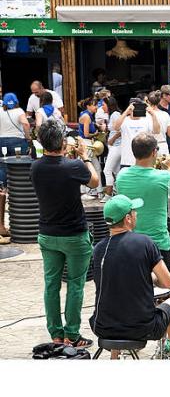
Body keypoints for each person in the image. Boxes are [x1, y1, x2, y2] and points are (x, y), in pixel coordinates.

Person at [90, 195, 170, 359]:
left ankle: (115, 358)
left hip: (101, 326)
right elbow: (168, 282)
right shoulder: (145, 243)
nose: (136, 215)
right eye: (134, 212)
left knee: (116, 302)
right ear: (127, 218)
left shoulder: (98, 249)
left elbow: (107, 280)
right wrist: (152, 279)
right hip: (142, 328)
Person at [31, 120, 99, 347]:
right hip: (74, 234)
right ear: (61, 141)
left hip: (47, 234)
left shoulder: (35, 167)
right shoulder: (74, 166)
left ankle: (56, 334)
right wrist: (85, 156)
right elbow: (95, 181)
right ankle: (73, 334)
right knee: (76, 284)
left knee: (51, 284)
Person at [115, 133, 170, 273]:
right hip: (158, 244)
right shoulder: (164, 176)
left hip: (130, 243)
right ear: (154, 152)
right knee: (167, 289)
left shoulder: (122, 174)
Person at [0, 93, 31, 240]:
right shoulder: (19, 111)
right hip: (18, 142)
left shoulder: (0, 111)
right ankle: (18, 192)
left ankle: (3, 190)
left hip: (1, 143)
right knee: (20, 172)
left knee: (2, 174)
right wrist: (28, 137)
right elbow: (25, 123)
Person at [113, 98, 161, 168]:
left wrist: (153, 114)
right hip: (127, 160)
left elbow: (157, 131)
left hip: (144, 160)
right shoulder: (124, 120)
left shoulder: (146, 120)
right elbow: (115, 128)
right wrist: (126, 112)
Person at [78, 97, 104, 200]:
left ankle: (99, 190)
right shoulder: (86, 116)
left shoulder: (87, 115)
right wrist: (96, 134)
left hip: (89, 144)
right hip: (86, 144)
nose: (96, 107)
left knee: (97, 167)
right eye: (94, 105)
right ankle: (83, 192)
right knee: (86, 167)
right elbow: (86, 134)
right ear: (88, 106)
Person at [101, 97, 122, 203]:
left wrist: (112, 139)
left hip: (116, 146)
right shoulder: (112, 115)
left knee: (107, 170)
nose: (102, 107)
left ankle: (108, 194)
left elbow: (121, 129)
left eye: (103, 104)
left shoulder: (115, 115)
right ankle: (118, 193)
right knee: (116, 171)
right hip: (114, 146)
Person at [147, 91, 170, 156]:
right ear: (159, 101)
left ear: (148, 101)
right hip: (163, 146)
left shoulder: (145, 115)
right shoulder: (165, 114)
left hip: (148, 146)